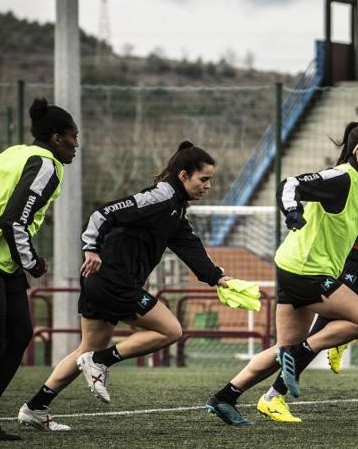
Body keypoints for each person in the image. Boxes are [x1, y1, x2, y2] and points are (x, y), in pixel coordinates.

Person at [205, 122, 358, 426]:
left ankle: (225, 397)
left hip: (296, 268)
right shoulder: (341, 177)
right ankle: (304, 353)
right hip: (306, 270)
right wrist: (292, 213)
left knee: (283, 350)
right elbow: (288, 185)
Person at [19, 142, 236, 431]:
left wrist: (216, 277)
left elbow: (188, 245)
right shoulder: (159, 197)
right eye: (204, 179)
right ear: (183, 175)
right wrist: (90, 248)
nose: (208, 186)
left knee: (87, 346)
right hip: (113, 281)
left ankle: (35, 407)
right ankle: (101, 360)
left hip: (104, 282)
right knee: (171, 330)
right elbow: (102, 214)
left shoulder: (175, 208)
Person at [0, 98, 78, 440]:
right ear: (57, 137)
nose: (77, 145)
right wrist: (32, 262)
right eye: (74, 137)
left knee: (18, 335)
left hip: (0, 259)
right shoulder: (46, 164)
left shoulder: (11, 153)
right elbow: (13, 218)